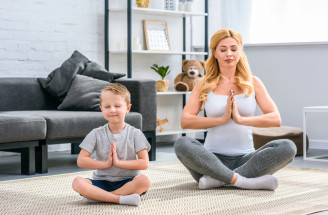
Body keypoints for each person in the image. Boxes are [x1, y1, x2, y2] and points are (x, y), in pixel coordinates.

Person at [174, 29, 297, 191]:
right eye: (223, 50)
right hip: (211, 160)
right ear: (215, 53)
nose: (229, 54)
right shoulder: (203, 84)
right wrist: (221, 120)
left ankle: (220, 180)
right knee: (182, 143)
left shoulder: (253, 82)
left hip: (247, 160)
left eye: (233, 49)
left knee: (288, 147)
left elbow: (275, 118)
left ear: (240, 52)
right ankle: (244, 181)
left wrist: (241, 119)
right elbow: (186, 120)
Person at [72, 83, 151, 206]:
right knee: (77, 182)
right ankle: (119, 199)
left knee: (144, 181)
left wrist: (118, 163)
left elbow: (144, 163)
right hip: (101, 182)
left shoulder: (136, 134)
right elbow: (81, 160)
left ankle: (100, 197)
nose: (112, 110)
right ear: (101, 108)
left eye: (117, 106)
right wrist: (105, 164)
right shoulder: (95, 133)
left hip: (128, 183)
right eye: (107, 106)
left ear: (127, 108)